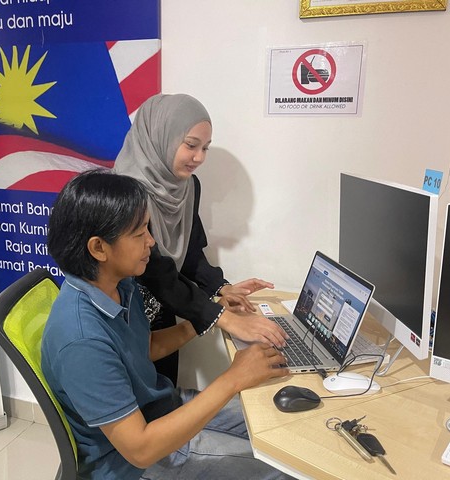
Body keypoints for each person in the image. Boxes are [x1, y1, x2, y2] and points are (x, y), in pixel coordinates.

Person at [42, 170, 291, 479]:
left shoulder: (120, 285)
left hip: (163, 408)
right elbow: (141, 449)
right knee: (284, 468)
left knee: (279, 425)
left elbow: (143, 348)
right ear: (98, 248)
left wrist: (206, 319)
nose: (151, 242)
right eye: (139, 234)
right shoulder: (81, 341)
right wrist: (234, 378)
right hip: (136, 463)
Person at [114, 93, 287, 383]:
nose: (200, 158)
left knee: (164, 391)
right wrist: (222, 317)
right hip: (127, 315)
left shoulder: (187, 185)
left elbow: (191, 251)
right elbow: (156, 272)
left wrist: (221, 287)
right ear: (161, 138)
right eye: (191, 145)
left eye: (205, 148)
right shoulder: (124, 195)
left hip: (164, 313)